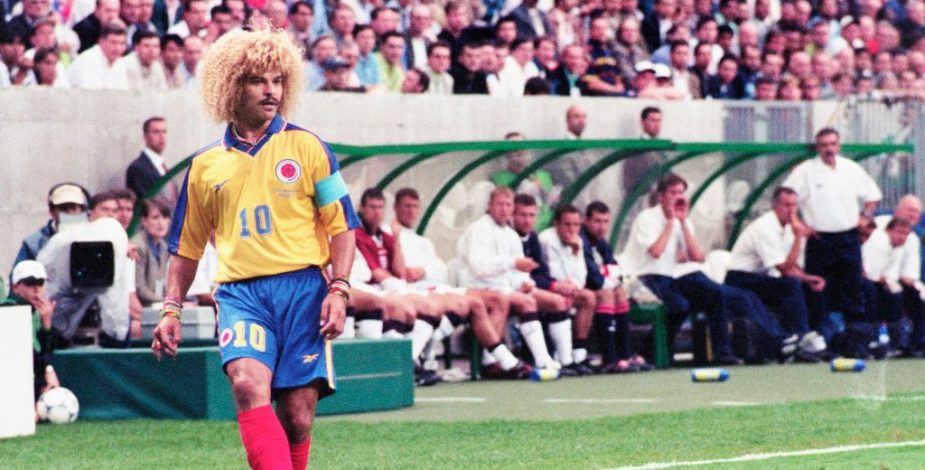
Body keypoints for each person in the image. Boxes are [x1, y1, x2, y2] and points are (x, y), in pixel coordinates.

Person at [151, 28, 359, 469]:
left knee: (298, 418)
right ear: (232, 86)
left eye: (278, 81)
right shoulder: (204, 167)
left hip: (304, 291)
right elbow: (186, 249)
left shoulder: (310, 147)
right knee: (247, 385)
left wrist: (338, 289)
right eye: (258, 81)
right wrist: (171, 309)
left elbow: (342, 227)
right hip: (241, 295)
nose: (271, 91)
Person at [623, 173, 742, 365]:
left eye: (681, 192)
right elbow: (655, 251)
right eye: (672, 192)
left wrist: (683, 224)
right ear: (661, 196)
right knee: (679, 305)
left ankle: (722, 353)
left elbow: (698, 257)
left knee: (715, 293)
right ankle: (652, 350)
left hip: (672, 274)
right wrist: (671, 222)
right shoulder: (647, 218)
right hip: (645, 275)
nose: (678, 197)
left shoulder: (683, 220)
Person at [781, 128, 882, 337]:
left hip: (849, 237)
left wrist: (865, 217)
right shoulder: (806, 171)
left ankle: (857, 341)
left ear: (839, 145)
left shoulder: (851, 168)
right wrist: (797, 224)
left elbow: (872, 197)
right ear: (818, 148)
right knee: (819, 289)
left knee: (853, 289)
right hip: (820, 239)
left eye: (832, 144)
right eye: (824, 145)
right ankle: (822, 339)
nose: (829, 149)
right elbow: (786, 198)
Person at [457, 187, 562, 372]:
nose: (504, 209)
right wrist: (513, 264)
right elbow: (479, 267)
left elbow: (517, 272)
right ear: (490, 206)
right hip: (476, 288)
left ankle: (549, 359)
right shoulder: (479, 229)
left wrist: (524, 282)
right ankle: (491, 361)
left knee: (547, 300)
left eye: (508, 205)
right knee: (510, 300)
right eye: (499, 204)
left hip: (503, 289)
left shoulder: (511, 235)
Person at [724, 187, 830, 359]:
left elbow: (791, 266)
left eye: (794, 206)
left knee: (811, 289)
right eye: (786, 205)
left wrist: (808, 279)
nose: (791, 210)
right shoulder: (765, 228)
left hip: (762, 278)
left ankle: (811, 338)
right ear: (775, 206)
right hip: (740, 278)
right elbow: (785, 270)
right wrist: (798, 238)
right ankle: (800, 337)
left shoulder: (787, 228)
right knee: (790, 285)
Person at [512, 195, 592, 376]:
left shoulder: (532, 237)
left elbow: (541, 273)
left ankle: (574, 357)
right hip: (512, 289)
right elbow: (546, 275)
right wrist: (556, 285)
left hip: (531, 287)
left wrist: (573, 255)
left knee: (587, 297)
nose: (527, 220)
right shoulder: (541, 239)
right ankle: (560, 359)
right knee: (558, 301)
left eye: (532, 215)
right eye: (522, 215)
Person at [579, 201, 653, 372]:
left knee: (620, 292)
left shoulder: (601, 242)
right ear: (586, 221)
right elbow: (591, 275)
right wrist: (608, 281)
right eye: (597, 221)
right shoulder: (582, 239)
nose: (602, 226)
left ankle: (625, 355)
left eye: (605, 222)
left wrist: (614, 280)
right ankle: (609, 358)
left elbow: (613, 266)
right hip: (582, 287)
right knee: (608, 294)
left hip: (600, 286)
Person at [2, 260, 60, 415]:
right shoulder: (11, 309)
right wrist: (47, 372)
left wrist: (46, 325)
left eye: (40, 283)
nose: (36, 290)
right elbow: (31, 358)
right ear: (15, 287)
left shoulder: (36, 312)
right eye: (29, 283)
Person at [12, 182, 90, 274]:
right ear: (52, 211)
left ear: (82, 210)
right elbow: (18, 280)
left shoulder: (94, 237)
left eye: (73, 208)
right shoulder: (34, 243)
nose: (68, 213)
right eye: (63, 208)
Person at [126, 116, 177, 205]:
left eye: (164, 131)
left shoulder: (164, 167)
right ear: (145, 137)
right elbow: (144, 204)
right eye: (156, 132)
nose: (162, 136)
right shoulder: (137, 168)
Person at [132, 199, 170, 306]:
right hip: (141, 308)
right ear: (144, 221)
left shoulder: (164, 246)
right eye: (155, 217)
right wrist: (165, 302)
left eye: (164, 217)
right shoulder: (138, 246)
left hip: (157, 305)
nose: (161, 223)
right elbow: (139, 288)